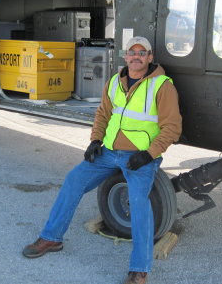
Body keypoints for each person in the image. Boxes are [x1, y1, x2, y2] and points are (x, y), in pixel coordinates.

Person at [22, 36, 182, 284]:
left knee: (139, 204)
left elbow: (172, 127)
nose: (136, 56)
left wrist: (149, 154)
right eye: (132, 52)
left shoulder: (162, 86)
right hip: (108, 153)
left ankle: (139, 269)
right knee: (74, 180)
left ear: (150, 58)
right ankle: (51, 237)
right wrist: (95, 140)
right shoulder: (114, 83)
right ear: (125, 56)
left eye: (142, 53)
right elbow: (103, 114)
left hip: (140, 158)